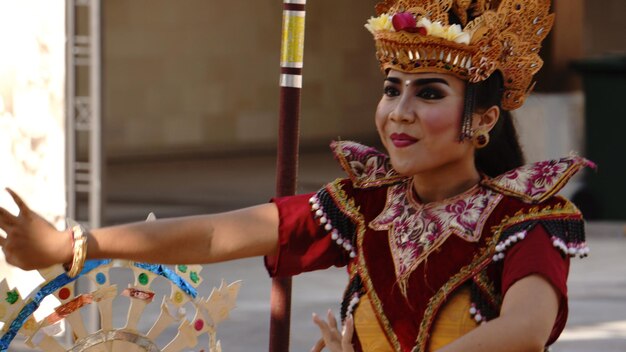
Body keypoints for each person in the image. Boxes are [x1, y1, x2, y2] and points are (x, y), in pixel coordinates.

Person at [0, 0, 592, 351]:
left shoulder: (525, 219)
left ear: (483, 118)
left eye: (429, 93)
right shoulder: (366, 205)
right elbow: (216, 235)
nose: (399, 112)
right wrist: (77, 245)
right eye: (392, 90)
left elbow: (524, 329)